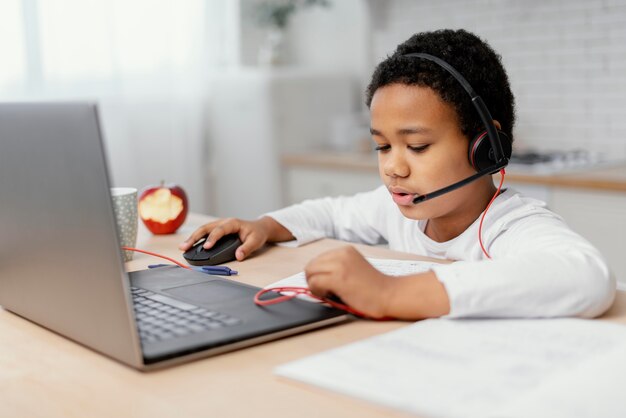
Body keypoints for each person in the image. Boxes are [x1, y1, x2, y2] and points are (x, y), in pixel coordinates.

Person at [180, 29, 615, 320]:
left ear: (486, 147)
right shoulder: (395, 208)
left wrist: (392, 295)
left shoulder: (512, 224)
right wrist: (264, 226)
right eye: (383, 146)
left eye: (418, 146)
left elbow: (586, 277)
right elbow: (328, 213)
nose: (393, 166)